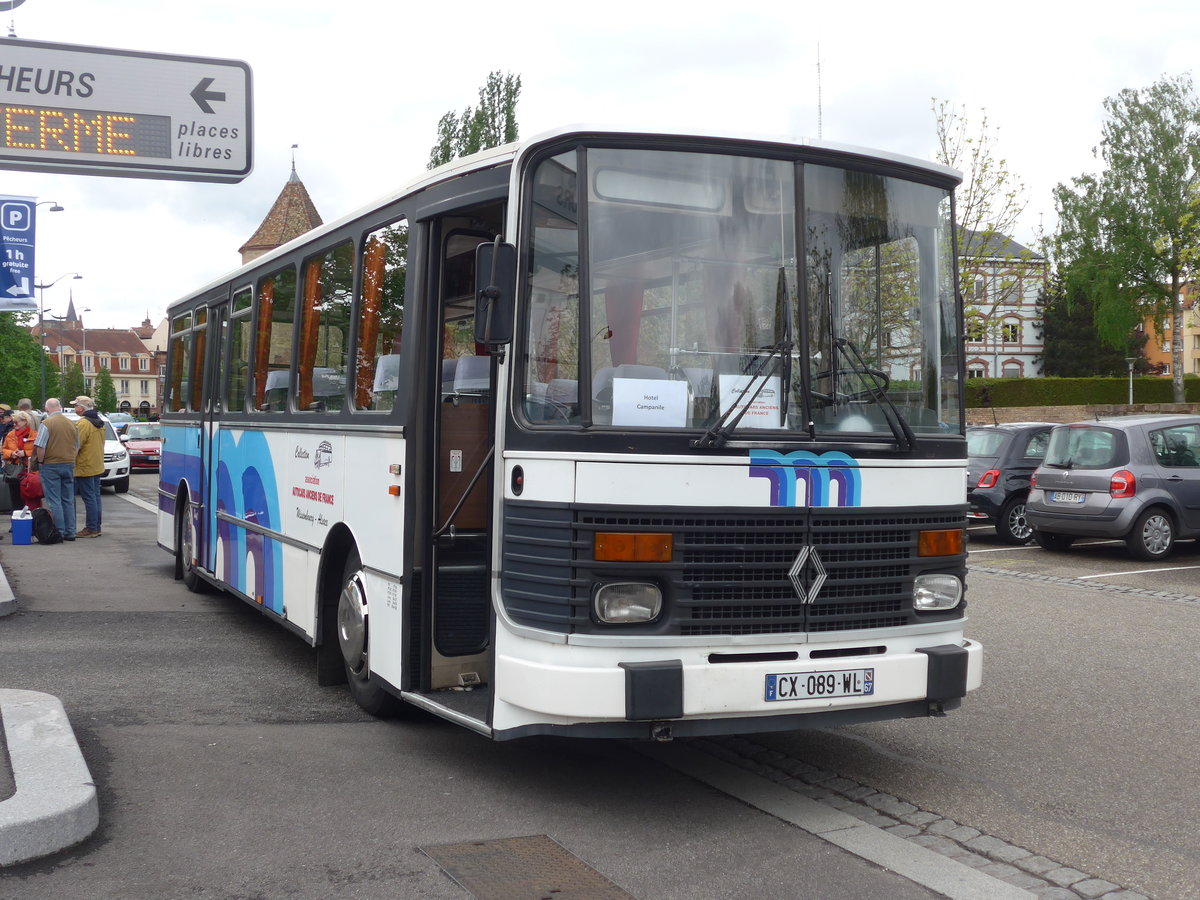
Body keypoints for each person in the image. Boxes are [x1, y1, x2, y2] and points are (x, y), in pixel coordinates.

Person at [34, 398, 79, 541]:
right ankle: (70, 532)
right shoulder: (72, 424)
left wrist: (41, 462)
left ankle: (59, 531)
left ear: (47, 409)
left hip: (51, 465)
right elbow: (76, 446)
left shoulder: (46, 424)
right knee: (68, 499)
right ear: (60, 407)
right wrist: (71, 459)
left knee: (54, 500)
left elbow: (40, 446)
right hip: (68, 464)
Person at [73, 396, 105, 538]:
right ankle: (96, 526)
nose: (75, 409)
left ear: (81, 408)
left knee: (89, 498)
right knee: (95, 497)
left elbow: (76, 446)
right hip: (97, 464)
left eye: (76, 406)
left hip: (85, 465)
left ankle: (91, 528)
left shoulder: (83, 423)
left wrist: (70, 460)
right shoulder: (99, 422)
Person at [2, 410, 37, 513]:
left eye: (17, 422)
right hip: (13, 471)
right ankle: (16, 522)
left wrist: (25, 453)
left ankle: (30, 520)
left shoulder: (34, 435)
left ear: (25, 422)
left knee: (28, 498)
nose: (15, 424)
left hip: (28, 471)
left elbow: (37, 451)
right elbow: (4, 450)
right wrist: (12, 453)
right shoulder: (10, 435)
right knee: (15, 497)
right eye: (14, 421)